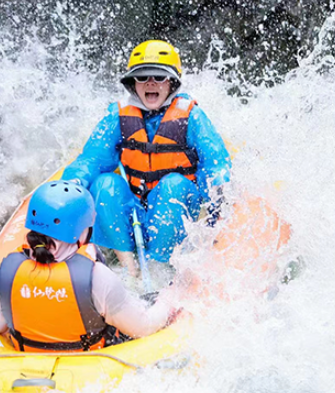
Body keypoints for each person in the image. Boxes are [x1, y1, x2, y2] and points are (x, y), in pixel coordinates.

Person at [62, 39, 231, 269]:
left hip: (179, 212)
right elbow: (93, 158)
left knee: (173, 185)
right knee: (104, 183)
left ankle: (157, 270)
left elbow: (216, 163)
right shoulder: (117, 115)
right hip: (134, 211)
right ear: (133, 83)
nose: (151, 83)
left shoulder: (192, 116)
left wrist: (218, 201)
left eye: (159, 77)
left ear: (172, 82)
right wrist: (71, 184)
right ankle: (130, 270)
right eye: (143, 77)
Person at [0, 180, 175, 352]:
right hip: (88, 365)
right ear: (83, 230)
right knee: (153, 300)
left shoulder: (7, 272)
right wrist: (169, 300)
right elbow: (143, 328)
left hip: (27, 364)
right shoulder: (97, 278)